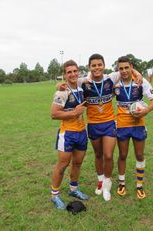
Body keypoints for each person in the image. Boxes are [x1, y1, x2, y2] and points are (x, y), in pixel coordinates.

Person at [57, 54, 143, 201]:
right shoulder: (83, 81)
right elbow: (67, 81)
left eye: (99, 65)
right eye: (93, 65)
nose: (97, 68)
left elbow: (127, 71)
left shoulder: (112, 77)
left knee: (108, 155)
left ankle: (107, 185)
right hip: (93, 125)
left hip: (109, 123)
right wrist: (58, 85)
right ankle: (100, 181)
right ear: (89, 67)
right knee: (98, 155)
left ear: (103, 65)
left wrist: (137, 73)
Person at [114, 56, 153, 199]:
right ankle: (121, 183)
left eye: (127, 67)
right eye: (121, 68)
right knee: (122, 155)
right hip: (122, 124)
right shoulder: (115, 83)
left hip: (138, 124)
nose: (124, 71)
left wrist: (146, 111)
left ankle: (139, 185)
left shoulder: (140, 81)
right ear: (118, 69)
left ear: (131, 66)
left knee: (139, 155)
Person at [50, 60, 89, 209]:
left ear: (78, 72)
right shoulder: (61, 91)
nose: (72, 74)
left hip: (81, 132)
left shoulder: (81, 87)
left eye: (75, 71)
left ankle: (73, 189)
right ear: (64, 75)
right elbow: (54, 114)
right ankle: (55, 195)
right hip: (67, 134)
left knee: (77, 163)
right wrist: (74, 112)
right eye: (69, 72)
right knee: (62, 165)